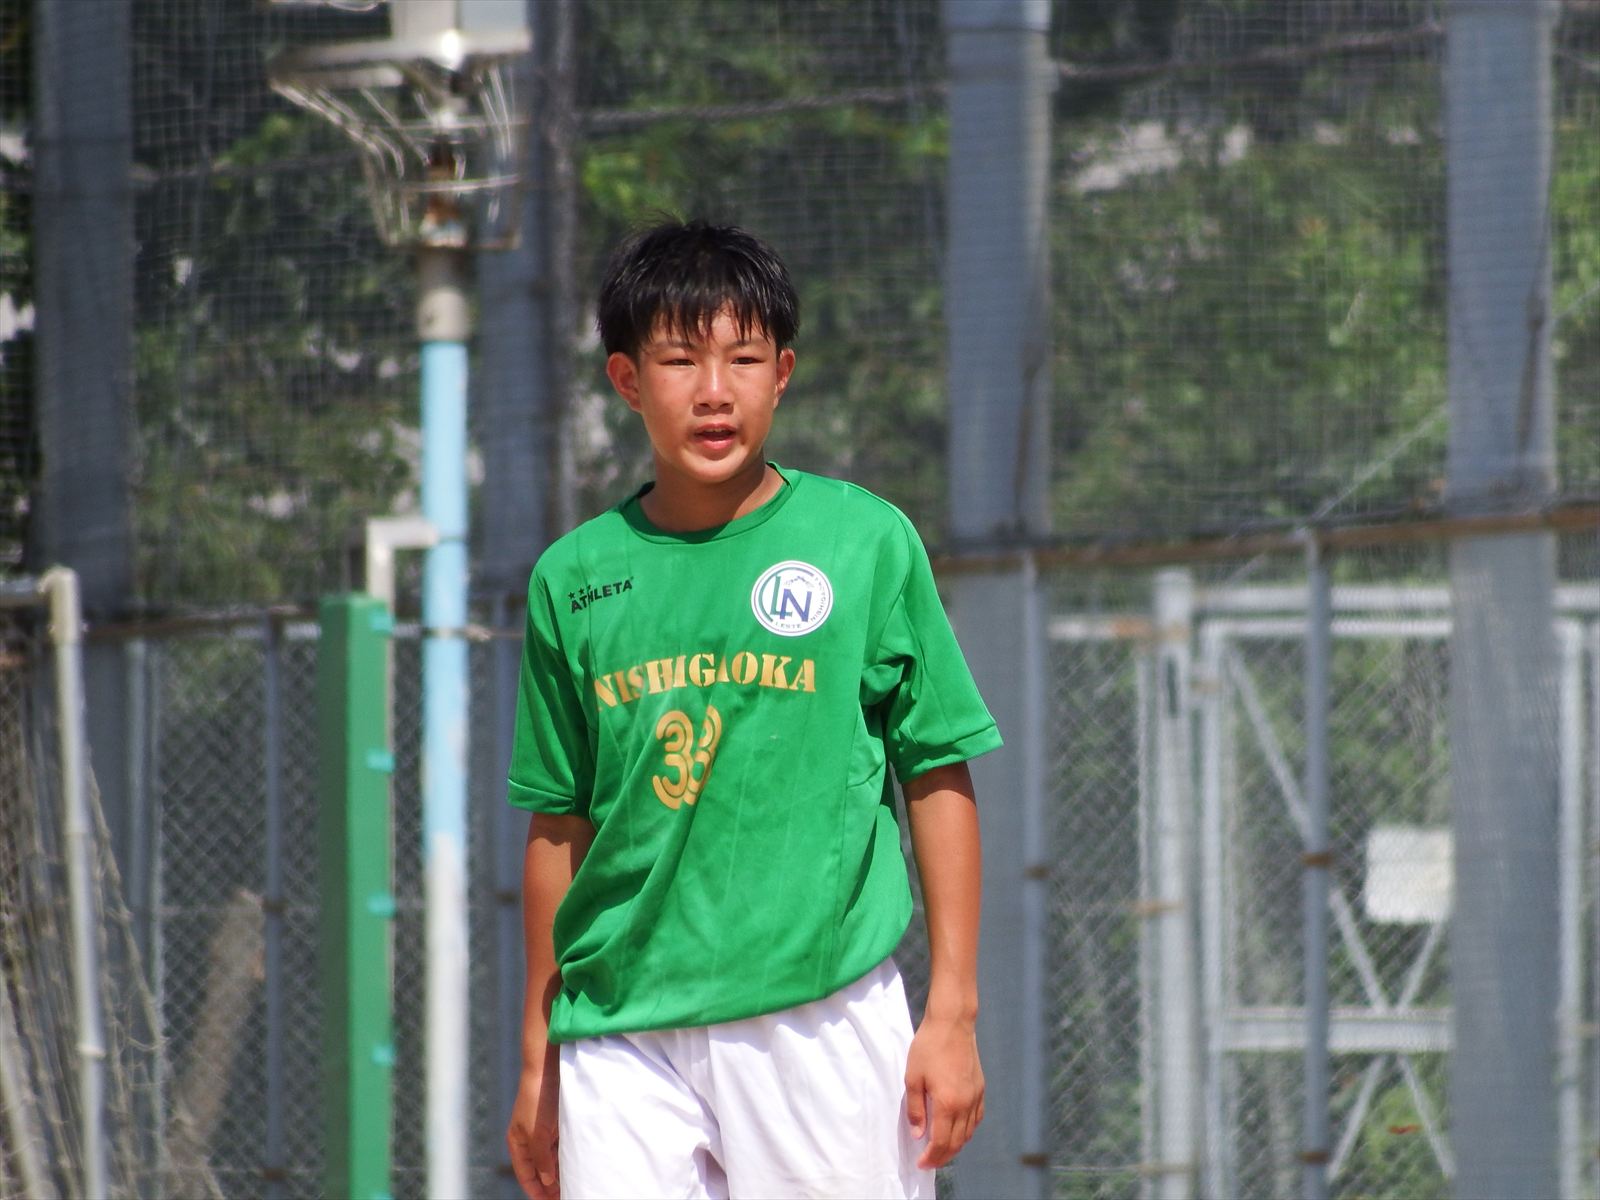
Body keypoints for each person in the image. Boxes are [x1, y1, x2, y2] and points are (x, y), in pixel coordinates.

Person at [504, 218, 1002, 1200]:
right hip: (620, 1029)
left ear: (782, 374)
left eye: (741, 358)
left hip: (815, 1018)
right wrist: (538, 1056)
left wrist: (952, 1013)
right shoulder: (573, 577)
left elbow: (936, 768)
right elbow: (558, 825)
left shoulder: (863, 540)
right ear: (626, 380)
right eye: (679, 360)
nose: (713, 390)